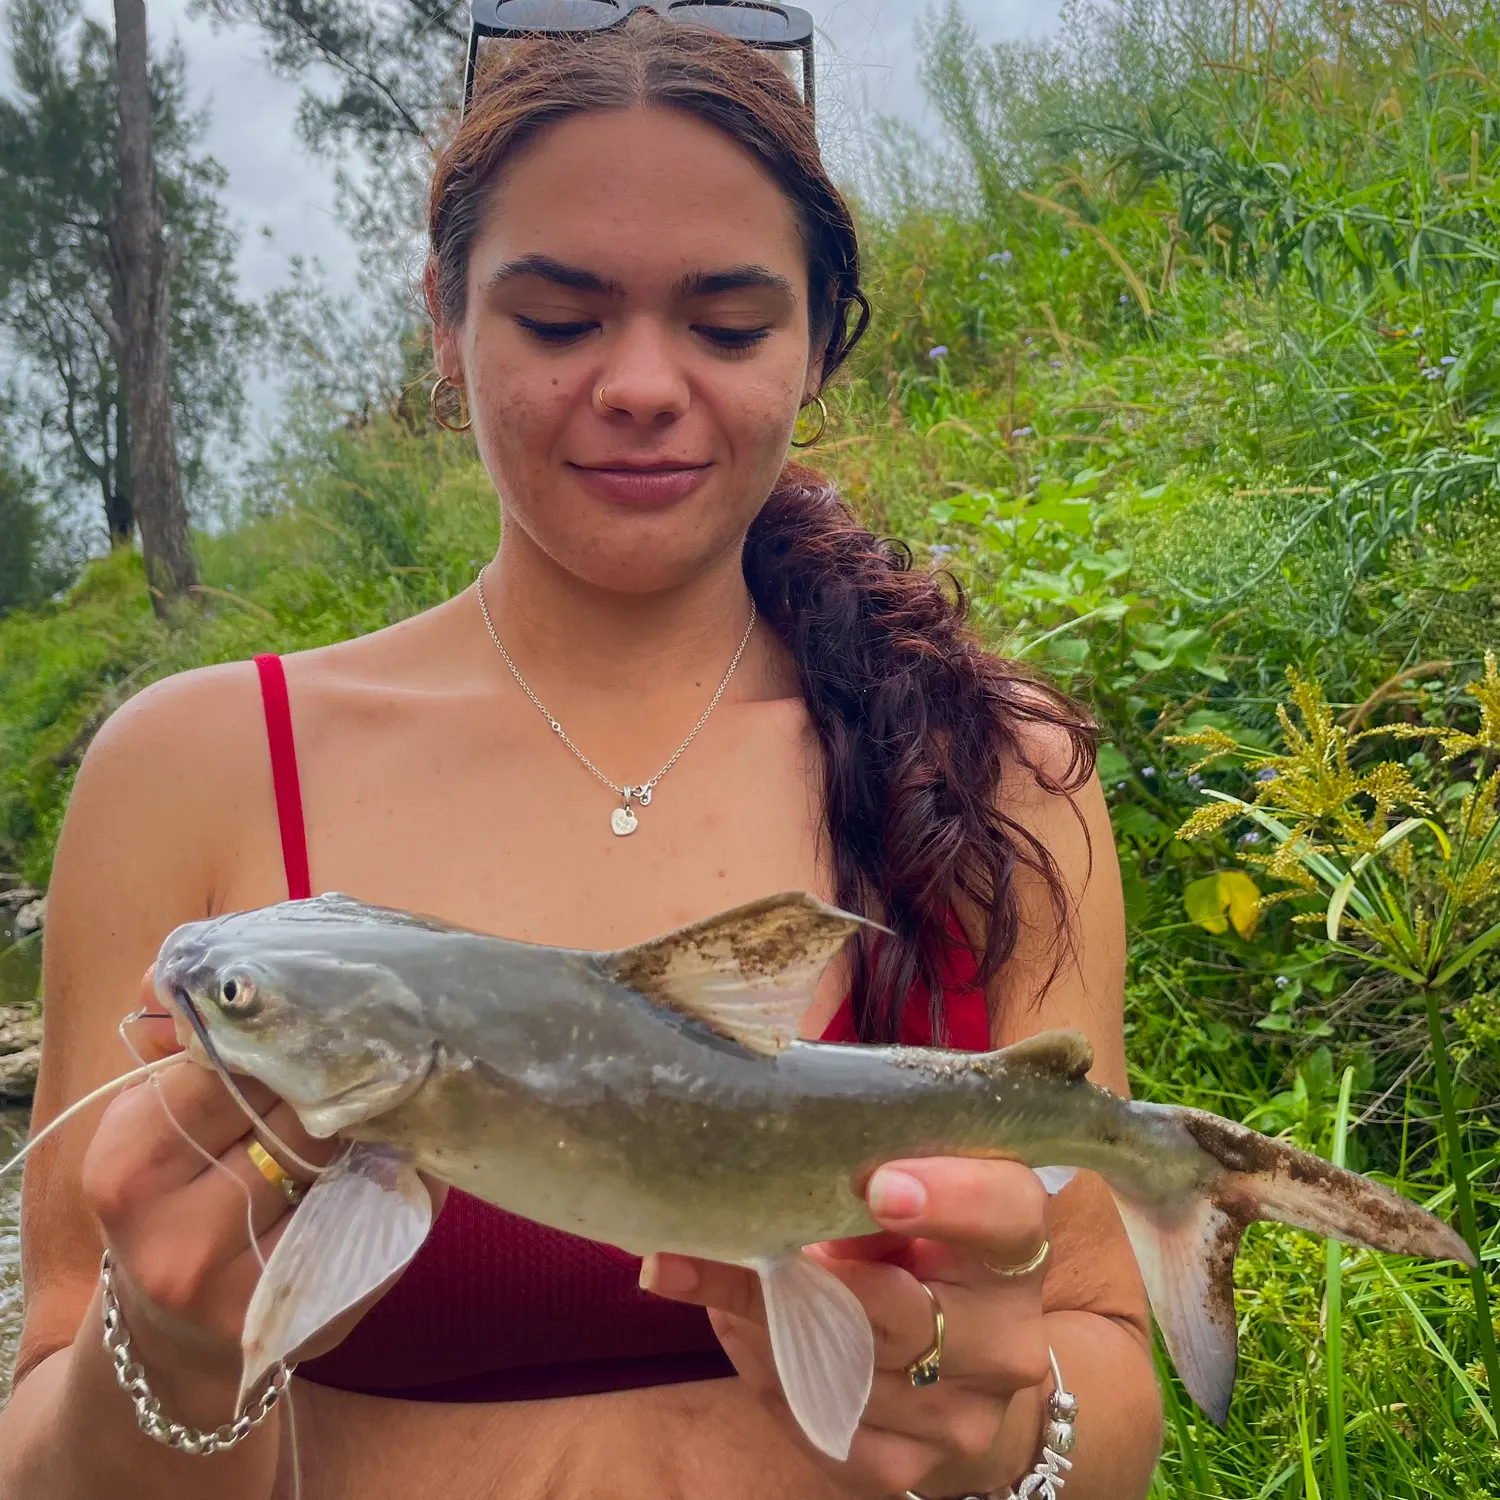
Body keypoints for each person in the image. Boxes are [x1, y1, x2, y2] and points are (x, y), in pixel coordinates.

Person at [0, 12, 1162, 1499]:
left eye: (729, 325)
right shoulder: (193, 768)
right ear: (444, 317)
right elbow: (45, 1440)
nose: (638, 384)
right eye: (556, 318)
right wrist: (161, 1356)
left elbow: (1103, 1367)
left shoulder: (998, 764)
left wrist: (1000, 1437)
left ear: (823, 340)